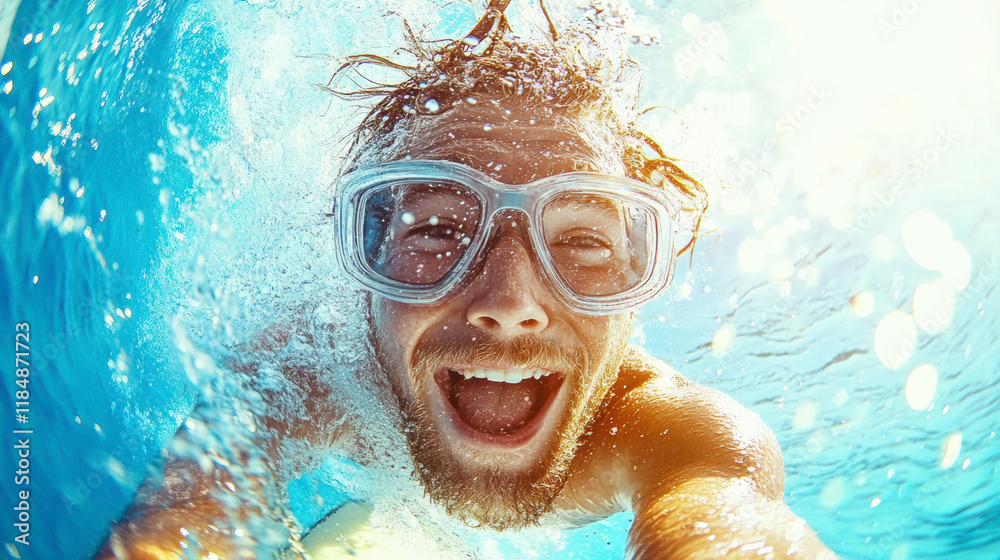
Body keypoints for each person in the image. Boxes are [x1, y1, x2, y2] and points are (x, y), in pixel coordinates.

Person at [99, 2, 837, 558]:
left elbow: (723, 523)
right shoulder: (307, 373)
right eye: (437, 231)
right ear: (367, 264)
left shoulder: (673, 431)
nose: (510, 303)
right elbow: (184, 517)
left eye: (582, 241)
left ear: (634, 293)